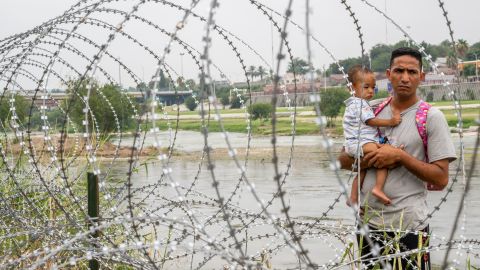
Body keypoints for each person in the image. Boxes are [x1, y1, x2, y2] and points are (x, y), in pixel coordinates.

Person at [338, 47, 457, 269]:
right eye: (399, 70)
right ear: (389, 74)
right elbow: (343, 160)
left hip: (410, 226)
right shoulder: (370, 109)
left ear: (421, 76)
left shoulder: (431, 117)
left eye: (412, 72)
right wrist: (374, 158)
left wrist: (400, 156)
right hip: (368, 224)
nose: (404, 77)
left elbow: (440, 179)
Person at [343, 65, 401, 206]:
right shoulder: (360, 104)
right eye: (366, 87)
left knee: (362, 170)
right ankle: (378, 188)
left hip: (355, 144)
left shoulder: (354, 104)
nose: (370, 91)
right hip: (361, 143)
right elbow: (370, 121)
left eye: (373, 87)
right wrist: (391, 122)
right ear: (351, 89)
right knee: (383, 156)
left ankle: (353, 197)